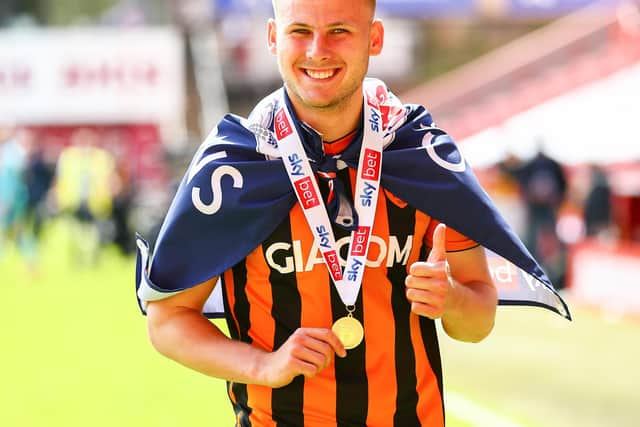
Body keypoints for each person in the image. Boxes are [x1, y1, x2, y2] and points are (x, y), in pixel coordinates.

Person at [138, 1, 568, 425]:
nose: (317, 50)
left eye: (339, 31)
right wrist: (262, 365)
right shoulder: (235, 169)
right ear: (273, 38)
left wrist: (452, 299)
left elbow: (477, 320)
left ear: (374, 38)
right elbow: (167, 321)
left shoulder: (420, 154)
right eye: (299, 31)